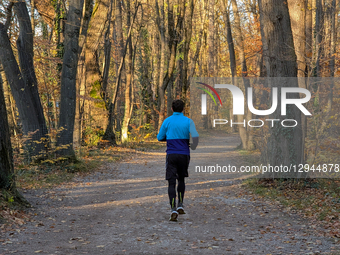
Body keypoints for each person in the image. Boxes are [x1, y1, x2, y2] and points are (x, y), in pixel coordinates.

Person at [157, 99, 199, 221]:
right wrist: (193, 145)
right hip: (184, 155)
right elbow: (195, 136)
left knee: (171, 182)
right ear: (183, 109)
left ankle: (173, 208)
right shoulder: (188, 121)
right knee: (181, 179)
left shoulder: (167, 121)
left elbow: (160, 137)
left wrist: (169, 138)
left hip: (171, 154)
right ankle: (180, 204)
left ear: (172, 109)